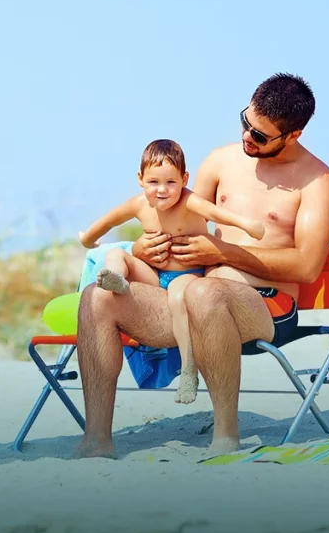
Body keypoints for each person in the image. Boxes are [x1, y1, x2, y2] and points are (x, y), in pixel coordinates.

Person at [74, 73, 329, 458]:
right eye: (245, 122)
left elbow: (307, 267)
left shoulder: (317, 181)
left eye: (261, 136)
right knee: (97, 298)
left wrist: (221, 252)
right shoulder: (221, 161)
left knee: (205, 291)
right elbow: (177, 219)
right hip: (189, 291)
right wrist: (148, 251)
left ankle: (226, 437)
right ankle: (96, 441)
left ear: (293, 135)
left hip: (266, 304)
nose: (247, 136)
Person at [77, 139, 265, 405]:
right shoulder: (139, 204)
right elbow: (110, 220)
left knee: (179, 298)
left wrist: (247, 225)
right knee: (115, 254)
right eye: (154, 182)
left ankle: (189, 370)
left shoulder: (190, 202)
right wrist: (87, 238)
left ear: (184, 179)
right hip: (154, 275)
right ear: (141, 179)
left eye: (171, 183)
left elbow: (217, 213)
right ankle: (117, 279)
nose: (162, 190)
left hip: (187, 275)